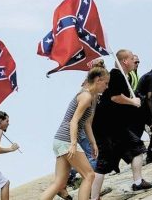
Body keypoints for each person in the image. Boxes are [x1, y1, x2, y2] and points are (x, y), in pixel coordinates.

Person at [91, 50, 152, 197]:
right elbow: (115, 97)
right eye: (133, 59)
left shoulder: (122, 75)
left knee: (137, 148)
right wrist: (132, 101)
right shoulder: (116, 74)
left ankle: (138, 182)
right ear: (125, 61)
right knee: (103, 163)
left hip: (115, 126)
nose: (135, 61)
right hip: (107, 127)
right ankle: (94, 197)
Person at [40, 67, 109, 200]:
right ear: (97, 80)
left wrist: (93, 143)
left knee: (59, 183)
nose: (107, 86)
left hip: (59, 140)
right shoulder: (86, 96)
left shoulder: (92, 97)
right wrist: (73, 144)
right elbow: (74, 122)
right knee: (89, 175)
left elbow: (87, 123)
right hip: (66, 140)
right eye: (105, 83)